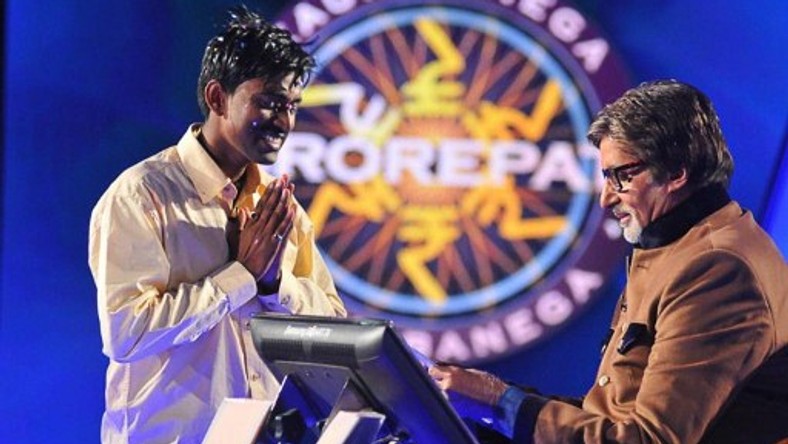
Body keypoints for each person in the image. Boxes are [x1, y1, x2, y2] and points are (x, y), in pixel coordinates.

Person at [430, 80, 788, 443]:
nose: (605, 198)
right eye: (605, 177)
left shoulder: (716, 268)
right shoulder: (677, 246)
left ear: (677, 173)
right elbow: (609, 415)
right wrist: (491, 405)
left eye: (621, 176)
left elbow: (649, 439)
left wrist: (500, 404)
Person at [88, 6, 346, 443]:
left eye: (291, 106)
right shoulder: (142, 196)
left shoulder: (279, 207)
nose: (284, 122)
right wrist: (241, 276)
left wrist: (275, 284)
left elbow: (336, 331)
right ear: (216, 98)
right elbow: (127, 334)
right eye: (269, 103)